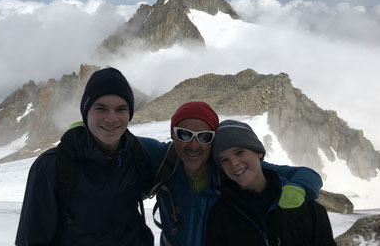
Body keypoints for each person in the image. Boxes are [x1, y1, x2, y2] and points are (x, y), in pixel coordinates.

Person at [138, 102, 323, 246]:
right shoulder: (163, 159)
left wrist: (296, 189)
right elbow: (120, 138)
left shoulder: (229, 168)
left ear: (213, 141)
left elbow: (307, 175)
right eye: (184, 134)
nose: (193, 145)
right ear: (172, 135)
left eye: (204, 137)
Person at [15, 67, 154, 246]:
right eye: (101, 108)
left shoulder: (137, 155)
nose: (112, 118)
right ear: (86, 113)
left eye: (121, 109)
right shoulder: (51, 167)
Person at [205, 119, 336, 245]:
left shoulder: (304, 207)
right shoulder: (221, 215)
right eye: (224, 159)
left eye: (239, 152)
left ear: (258, 153)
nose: (234, 163)